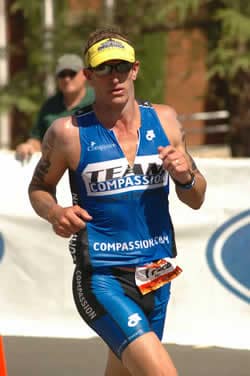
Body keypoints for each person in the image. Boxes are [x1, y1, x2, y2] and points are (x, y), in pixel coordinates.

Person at [28, 27, 207, 376]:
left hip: (155, 278)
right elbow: (39, 188)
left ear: (135, 69)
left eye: (122, 67)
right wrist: (55, 212)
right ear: (88, 75)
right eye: (105, 69)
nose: (115, 77)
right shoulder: (68, 133)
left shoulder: (166, 120)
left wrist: (185, 176)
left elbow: (196, 198)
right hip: (103, 280)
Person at [15, 53, 95, 162]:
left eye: (72, 74)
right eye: (62, 74)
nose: (67, 79)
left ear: (84, 75)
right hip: (58, 170)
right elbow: (37, 139)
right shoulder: (49, 106)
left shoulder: (97, 100)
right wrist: (29, 146)